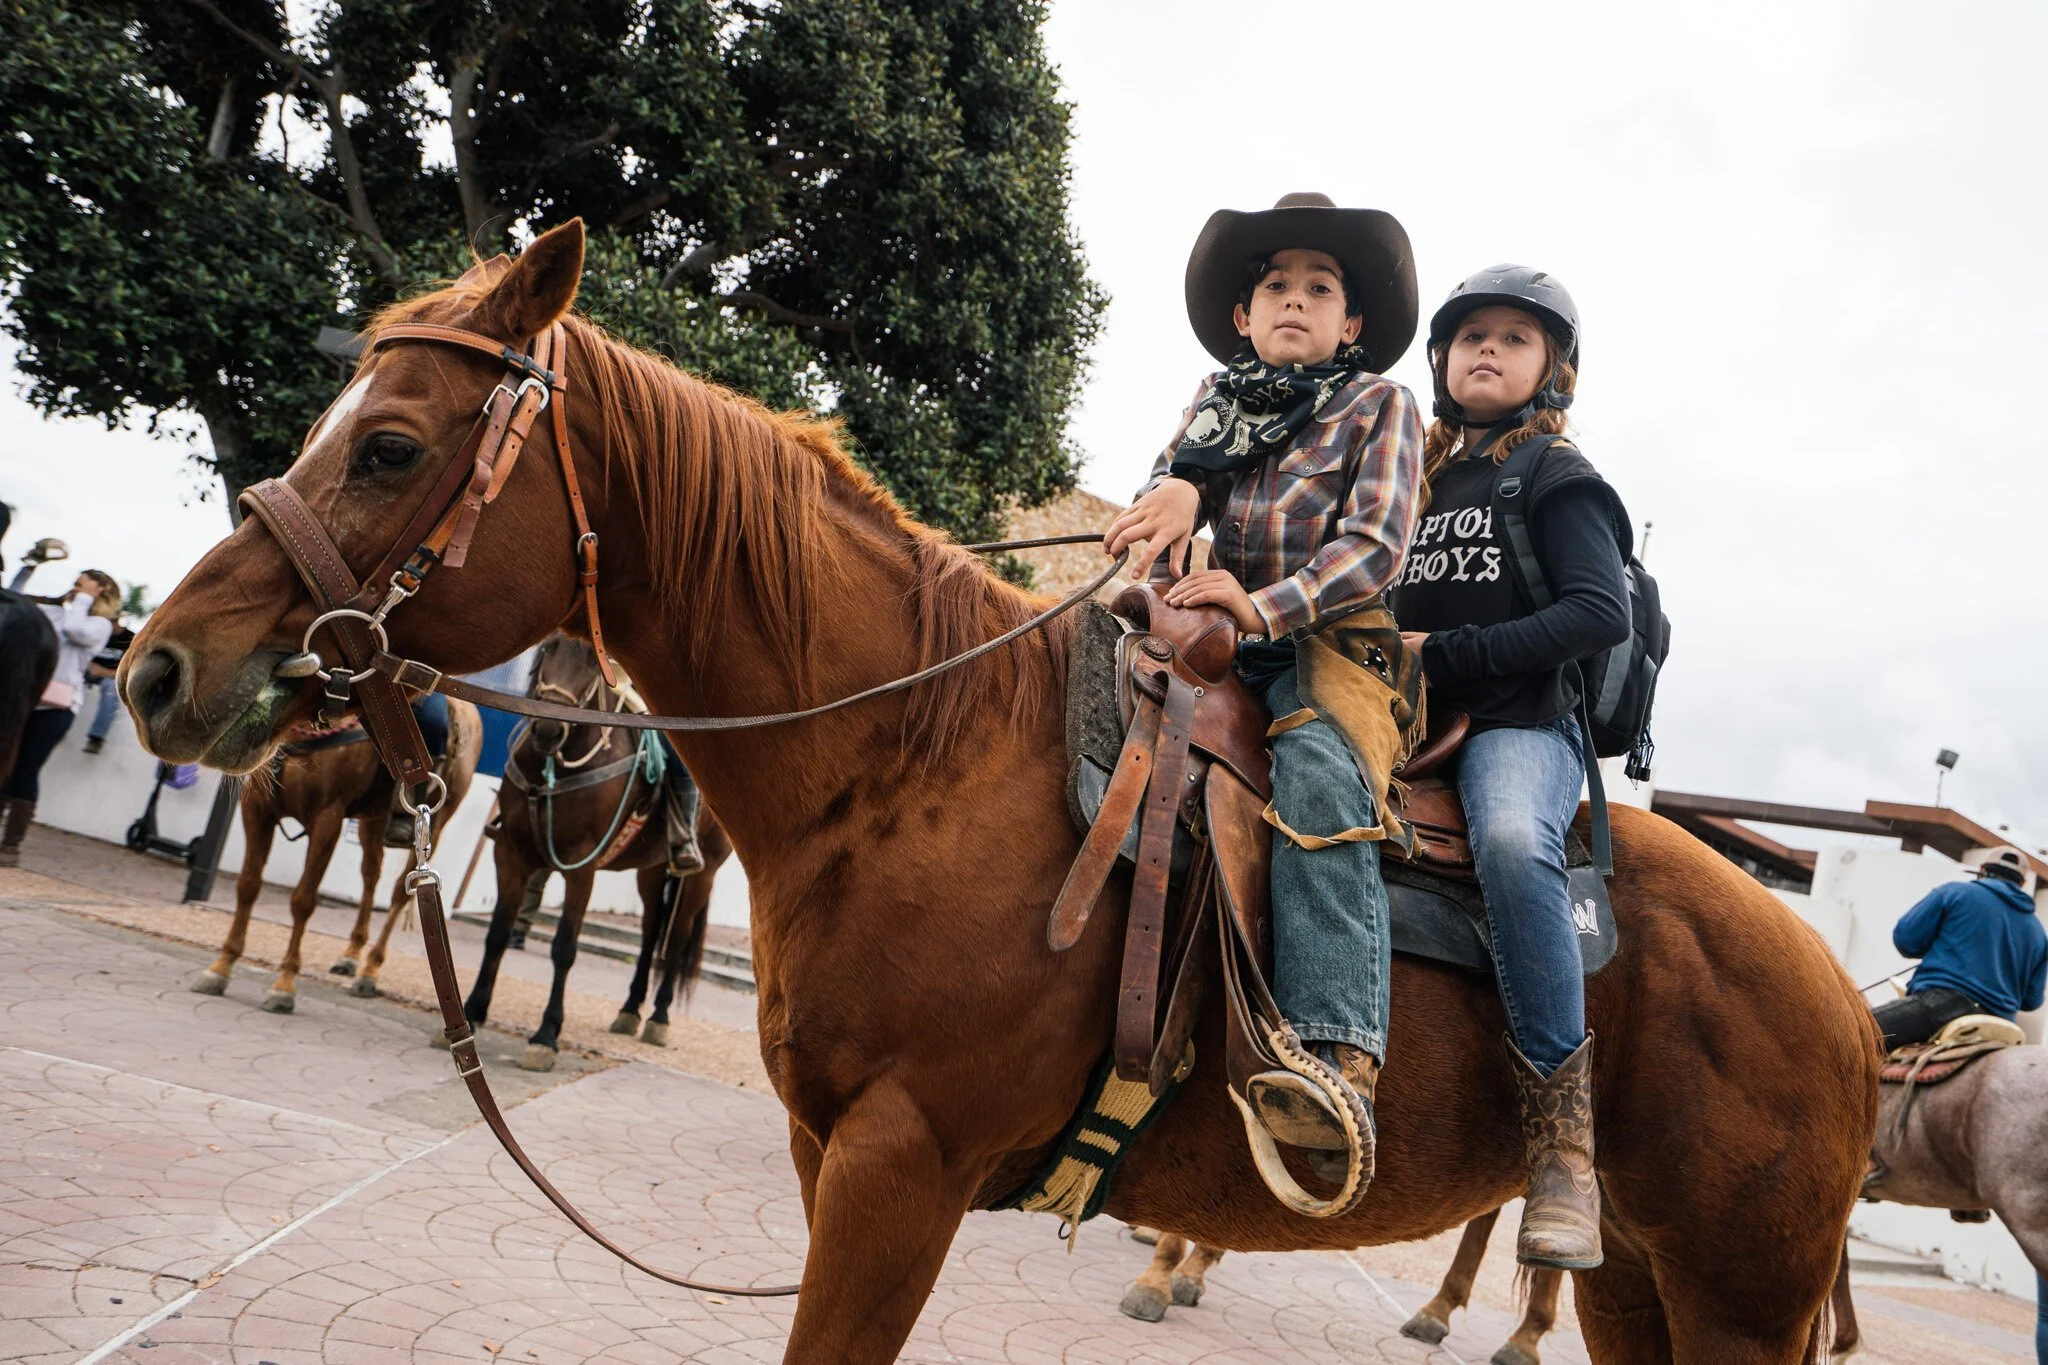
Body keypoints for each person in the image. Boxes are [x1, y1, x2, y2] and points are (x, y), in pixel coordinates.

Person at [1104, 192, 1424, 1188]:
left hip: (1323, 649)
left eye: (1318, 287)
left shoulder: (1379, 407)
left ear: (1351, 321)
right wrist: (1159, 529)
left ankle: (1333, 1059)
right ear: (1242, 317)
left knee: (1320, 774)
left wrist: (1259, 607)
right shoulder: (1209, 406)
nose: (1294, 299)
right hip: (1200, 634)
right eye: (1273, 286)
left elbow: (1372, 548)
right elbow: (1152, 517)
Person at [1392, 266, 1633, 1270]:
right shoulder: (1407, 481)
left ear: (1553, 373)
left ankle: (1560, 1147)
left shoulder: (1554, 477)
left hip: (1514, 727)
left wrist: (1444, 660)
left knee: (1506, 838)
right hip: (1391, 724)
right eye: (1469, 336)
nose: (1485, 349)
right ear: (1441, 362)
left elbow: (1596, 613)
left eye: (1513, 339)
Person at [1, 568, 121, 867]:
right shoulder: (56, 613)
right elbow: (18, 610)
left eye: (83, 583)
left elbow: (74, 631)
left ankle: (11, 846)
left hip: (57, 708)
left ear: (100, 590)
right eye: (75, 582)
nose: (76, 586)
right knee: (5, 764)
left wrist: (81, 602)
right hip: (24, 700)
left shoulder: (99, 625)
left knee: (26, 770)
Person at [1875, 846, 2046, 1050]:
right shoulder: (2039, 933)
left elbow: (1906, 940)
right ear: (2022, 883)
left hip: (1945, 1005)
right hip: (2003, 1025)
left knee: (1856, 1030)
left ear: (1982, 869)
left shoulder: (1954, 892)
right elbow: (2031, 1001)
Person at [82, 621, 136, 754]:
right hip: (87, 670)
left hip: (111, 676)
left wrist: (103, 672)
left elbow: (129, 671)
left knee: (112, 689)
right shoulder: (96, 632)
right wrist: (89, 666)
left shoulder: (130, 639)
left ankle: (96, 738)